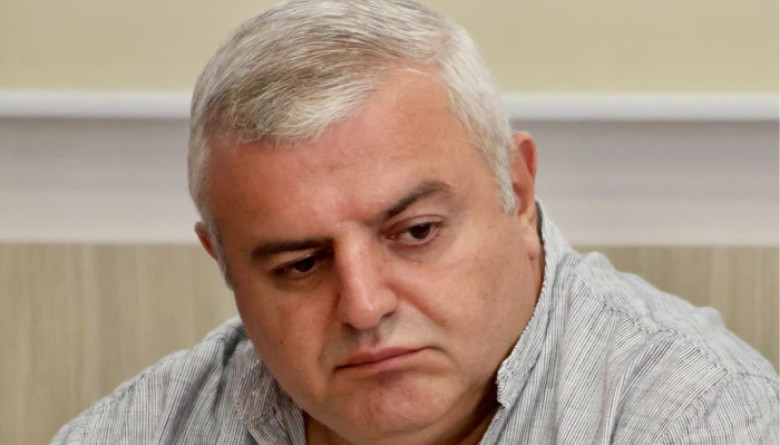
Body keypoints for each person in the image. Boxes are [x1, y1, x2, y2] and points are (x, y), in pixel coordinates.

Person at [52, 0, 778, 444]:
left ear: (517, 189)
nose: (364, 306)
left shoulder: (696, 416)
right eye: (300, 264)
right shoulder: (137, 431)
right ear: (224, 263)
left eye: (417, 232)